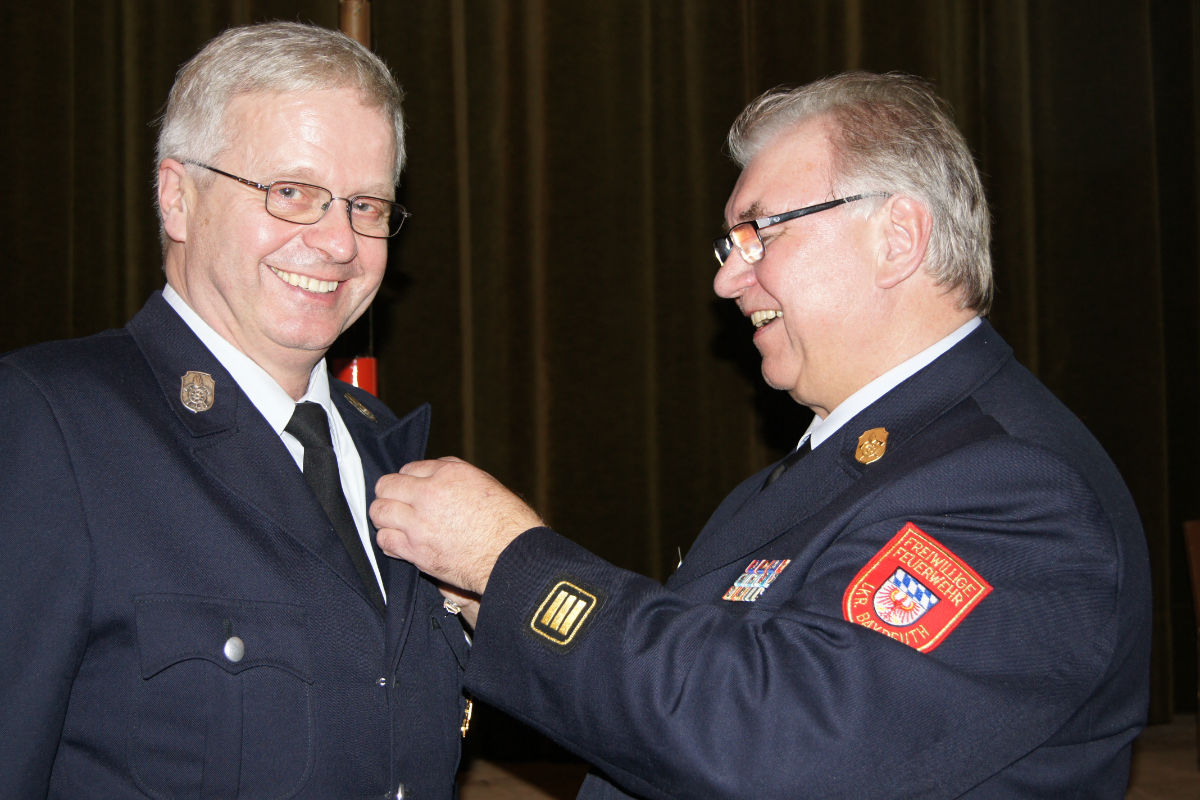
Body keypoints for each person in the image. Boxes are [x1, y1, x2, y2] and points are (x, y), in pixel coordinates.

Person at [371, 72, 1152, 798]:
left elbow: (776, 742)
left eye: (759, 233)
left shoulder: (1014, 487)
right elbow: (695, 695)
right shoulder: (829, 469)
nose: (726, 278)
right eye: (730, 243)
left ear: (898, 237)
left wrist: (511, 564)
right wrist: (489, 601)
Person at [0, 22, 468, 799]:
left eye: (367, 205)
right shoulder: (53, 424)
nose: (338, 241)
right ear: (177, 198)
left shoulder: (387, 451)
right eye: (291, 194)